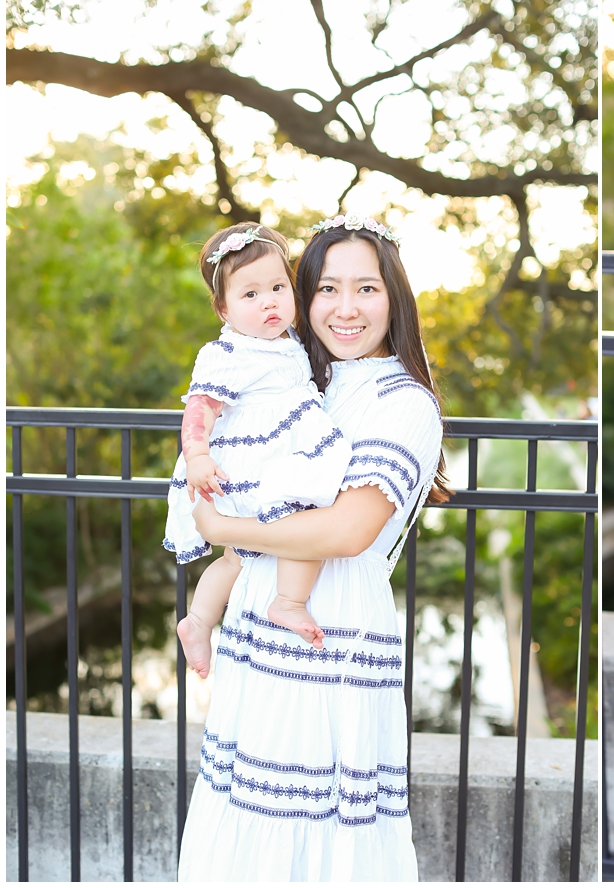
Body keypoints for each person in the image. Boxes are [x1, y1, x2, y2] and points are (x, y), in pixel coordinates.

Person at [176, 213, 448, 881]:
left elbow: (346, 531)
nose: (345, 308)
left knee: (313, 830)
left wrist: (222, 532)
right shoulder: (296, 382)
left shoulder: (405, 401)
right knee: (245, 821)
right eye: (327, 289)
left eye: (367, 289)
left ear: (395, 298)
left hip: (333, 629)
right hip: (256, 616)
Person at [166, 224, 354, 677]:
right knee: (302, 520)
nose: (269, 301)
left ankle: (197, 622)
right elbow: (200, 409)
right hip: (252, 462)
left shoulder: (291, 340)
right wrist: (197, 457)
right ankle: (285, 603)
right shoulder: (228, 353)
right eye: (250, 295)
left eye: (277, 287)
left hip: (284, 451)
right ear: (223, 309)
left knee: (240, 555)